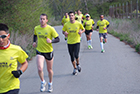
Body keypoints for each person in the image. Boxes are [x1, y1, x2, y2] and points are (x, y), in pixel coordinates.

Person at [32, 13, 60, 93]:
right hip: (40, 51)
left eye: (44, 19)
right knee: (40, 68)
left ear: (47, 20)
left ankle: (50, 83)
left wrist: (51, 41)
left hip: (48, 51)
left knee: (49, 69)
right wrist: (34, 42)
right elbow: (35, 35)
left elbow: (57, 39)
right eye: (41, 19)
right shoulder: (36, 28)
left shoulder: (50, 29)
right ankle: (43, 82)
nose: (42, 20)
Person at [0, 23, 28, 94]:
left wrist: (20, 72)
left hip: (12, 87)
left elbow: (25, 63)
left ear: (8, 36)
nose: (0, 40)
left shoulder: (16, 49)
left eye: (3, 36)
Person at [62, 11, 85, 75]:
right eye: (70, 16)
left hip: (77, 41)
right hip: (69, 42)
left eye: (72, 15)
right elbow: (63, 31)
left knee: (76, 55)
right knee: (72, 56)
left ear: (74, 16)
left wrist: (81, 32)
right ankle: (75, 68)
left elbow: (83, 29)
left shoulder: (78, 23)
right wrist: (65, 33)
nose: (71, 17)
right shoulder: (66, 24)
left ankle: (78, 64)